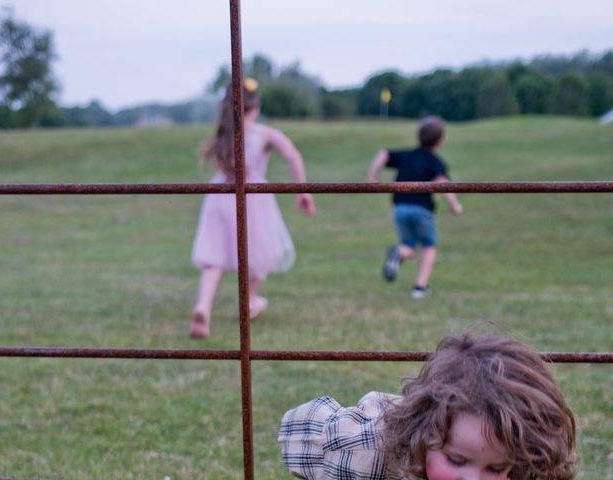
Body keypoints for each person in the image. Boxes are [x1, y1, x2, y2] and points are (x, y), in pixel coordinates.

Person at [278, 334, 577, 480]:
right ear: (425, 433)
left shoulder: (525, 465)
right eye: (457, 460)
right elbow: (296, 429)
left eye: (495, 468)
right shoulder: (363, 451)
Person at [189, 78, 315, 338]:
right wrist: (303, 189)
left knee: (213, 258)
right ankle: (249, 301)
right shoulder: (265, 133)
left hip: (220, 195)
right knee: (255, 253)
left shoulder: (224, 132)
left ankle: (204, 306)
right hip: (251, 197)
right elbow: (293, 155)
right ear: (255, 106)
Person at [367, 116, 463, 299]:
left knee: (409, 246)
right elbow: (443, 184)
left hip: (400, 208)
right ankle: (420, 287)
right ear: (441, 141)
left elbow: (383, 154)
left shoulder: (406, 155)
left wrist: (372, 178)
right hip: (422, 209)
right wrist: (455, 205)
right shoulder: (434, 161)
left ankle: (398, 252)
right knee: (429, 246)